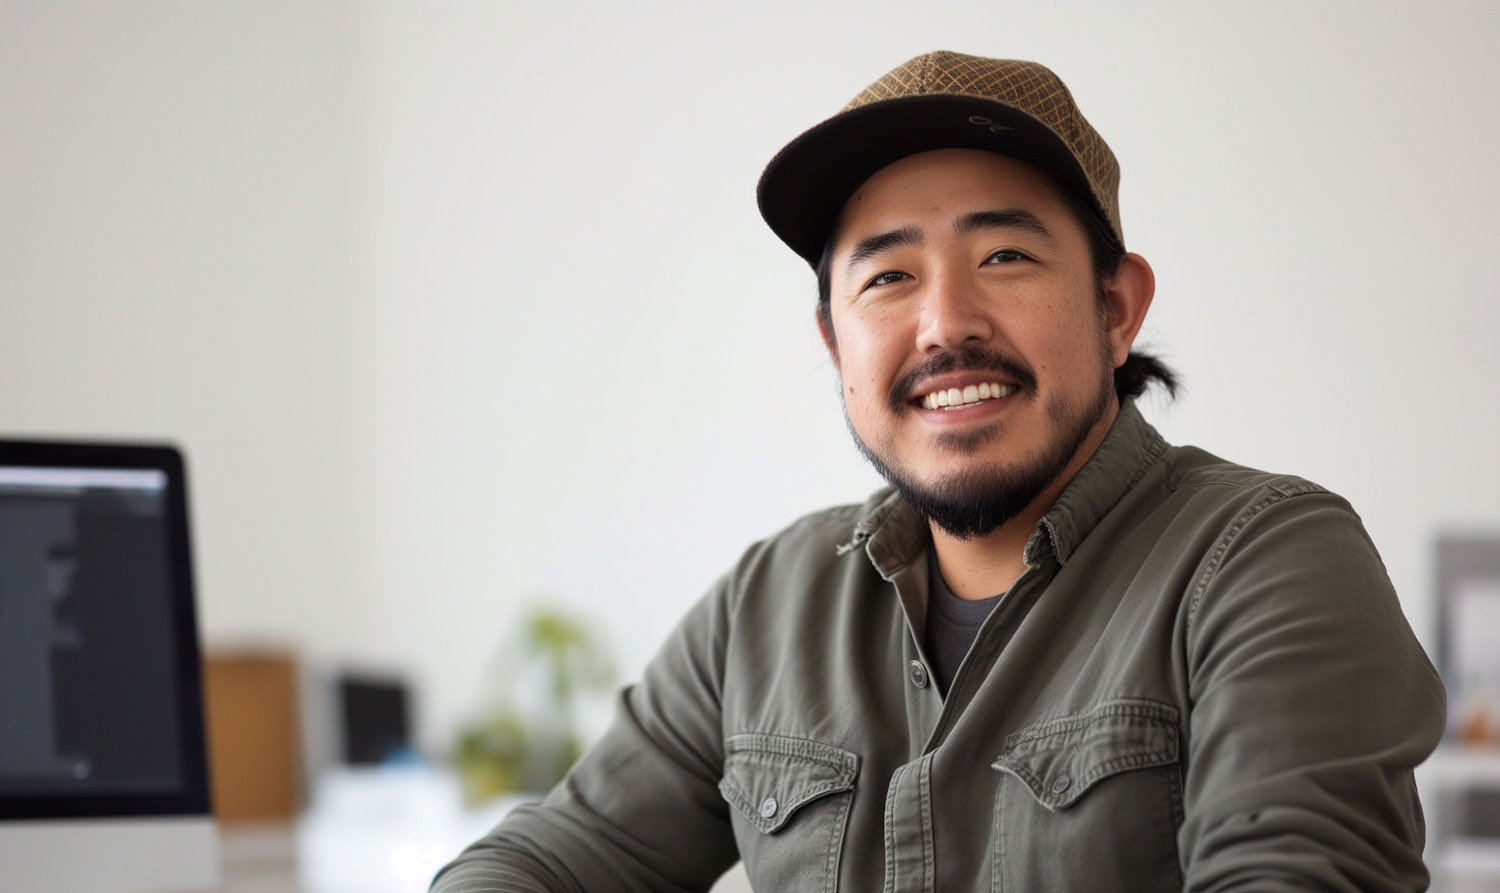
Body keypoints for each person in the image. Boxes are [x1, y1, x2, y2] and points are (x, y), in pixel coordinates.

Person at [432, 51, 1445, 892]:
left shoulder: (1267, 557)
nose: (946, 322)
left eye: (1004, 256)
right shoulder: (766, 605)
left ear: (1115, 305)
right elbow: (552, 858)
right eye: (887, 276)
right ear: (835, 342)